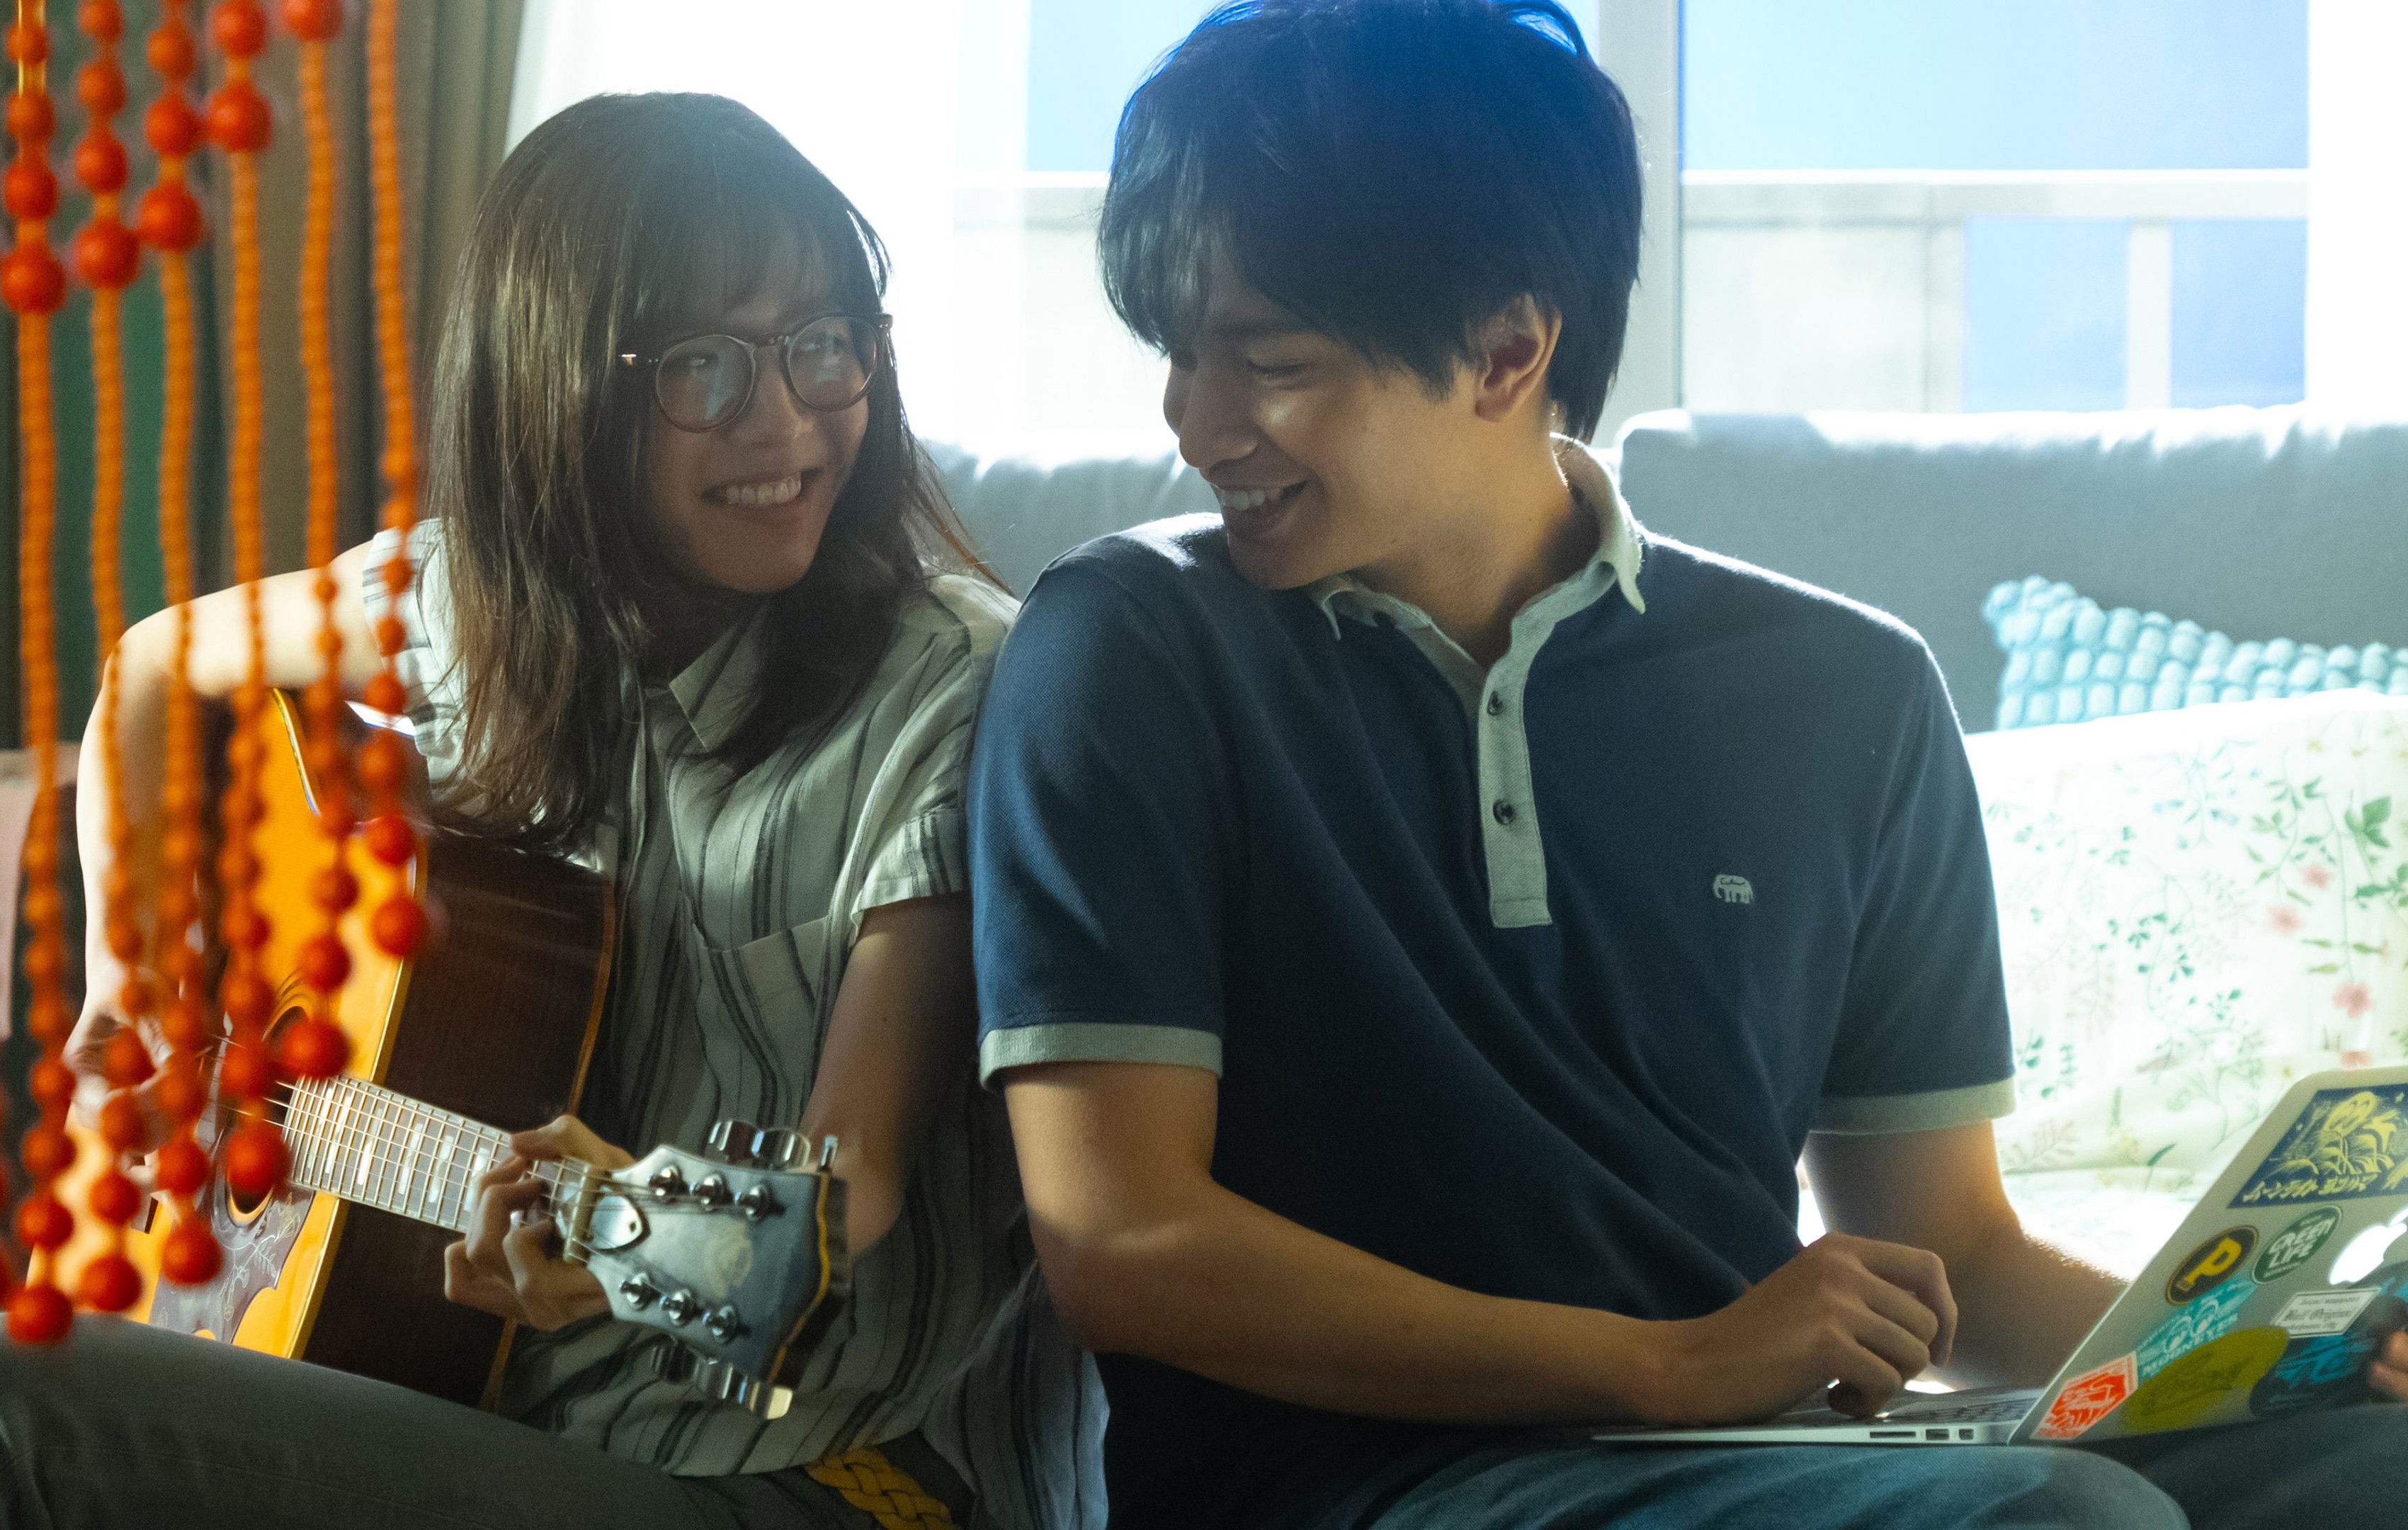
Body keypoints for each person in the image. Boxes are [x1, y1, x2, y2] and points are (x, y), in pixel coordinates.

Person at [965, 4, 2408, 1528]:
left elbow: (1958, 1260)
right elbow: (1120, 1242)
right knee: (2058, 1522)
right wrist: (1671, 1366)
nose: (1194, 426)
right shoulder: (1128, 649)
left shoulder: (1847, 692)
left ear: (1506, 350)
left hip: (1768, 1463)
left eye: (1268, 364)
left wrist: (2289, 1351)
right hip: (1361, 1485)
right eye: (1179, 354)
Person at [0, 93, 1096, 1530]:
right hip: (476, 1417)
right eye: (703, 364)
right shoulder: (454, 609)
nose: (789, 419)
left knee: (12, 1400)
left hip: (803, 1479)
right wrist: (139, 987)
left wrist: (619, 1242)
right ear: (558, 389)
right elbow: (159, 667)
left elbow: (844, 1203)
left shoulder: (955, 692)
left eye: (825, 341)